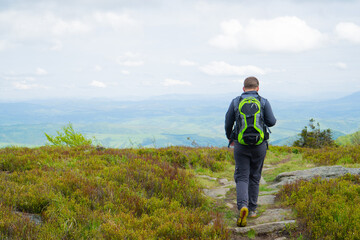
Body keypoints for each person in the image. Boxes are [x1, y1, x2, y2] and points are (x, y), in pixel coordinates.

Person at [225, 76, 276, 227]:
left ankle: (242, 206)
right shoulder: (263, 101)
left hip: (240, 144)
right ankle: (252, 210)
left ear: (243, 88)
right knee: (255, 177)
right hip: (260, 145)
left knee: (242, 177)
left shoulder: (236, 101)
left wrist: (230, 137)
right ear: (258, 88)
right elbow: (272, 122)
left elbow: (228, 122)